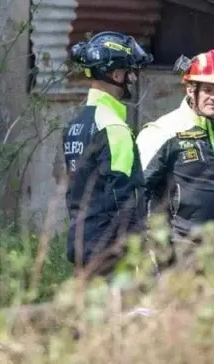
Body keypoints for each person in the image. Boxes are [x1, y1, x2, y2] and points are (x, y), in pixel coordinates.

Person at [136, 50, 214, 268]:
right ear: (191, 90)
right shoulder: (163, 131)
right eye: (208, 90)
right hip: (179, 252)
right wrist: (146, 248)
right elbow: (138, 191)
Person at [63, 31, 153, 278]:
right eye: (128, 72)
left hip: (81, 242)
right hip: (109, 252)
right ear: (115, 74)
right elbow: (124, 196)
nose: (131, 78)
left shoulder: (76, 125)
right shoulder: (114, 128)